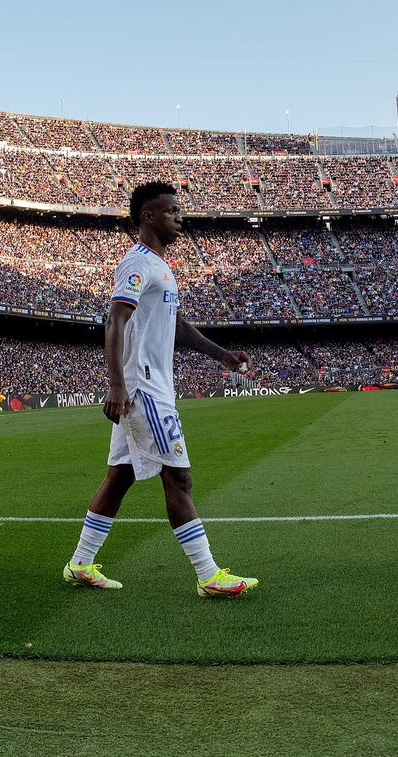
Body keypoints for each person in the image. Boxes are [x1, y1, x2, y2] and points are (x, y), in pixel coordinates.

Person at [63, 181, 257, 598]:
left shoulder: (161, 268)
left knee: (121, 475)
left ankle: (80, 563)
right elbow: (115, 320)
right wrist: (117, 384)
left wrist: (221, 354)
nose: (179, 216)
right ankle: (208, 575)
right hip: (144, 389)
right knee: (179, 477)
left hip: (148, 387)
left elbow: (177, 326)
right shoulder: (138, 264)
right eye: (171, 210)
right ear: (148, 217)